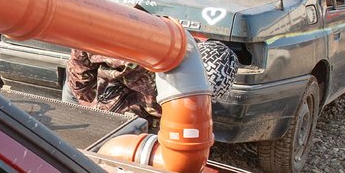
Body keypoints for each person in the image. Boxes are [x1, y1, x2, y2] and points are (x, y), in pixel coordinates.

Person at [66, 40, 239, 124]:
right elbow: (85, 43)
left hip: (119, 122)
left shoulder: (192, 99)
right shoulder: (145, 49)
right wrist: (85, 97)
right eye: (189, 92)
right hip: (83, 94)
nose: (189, 99)